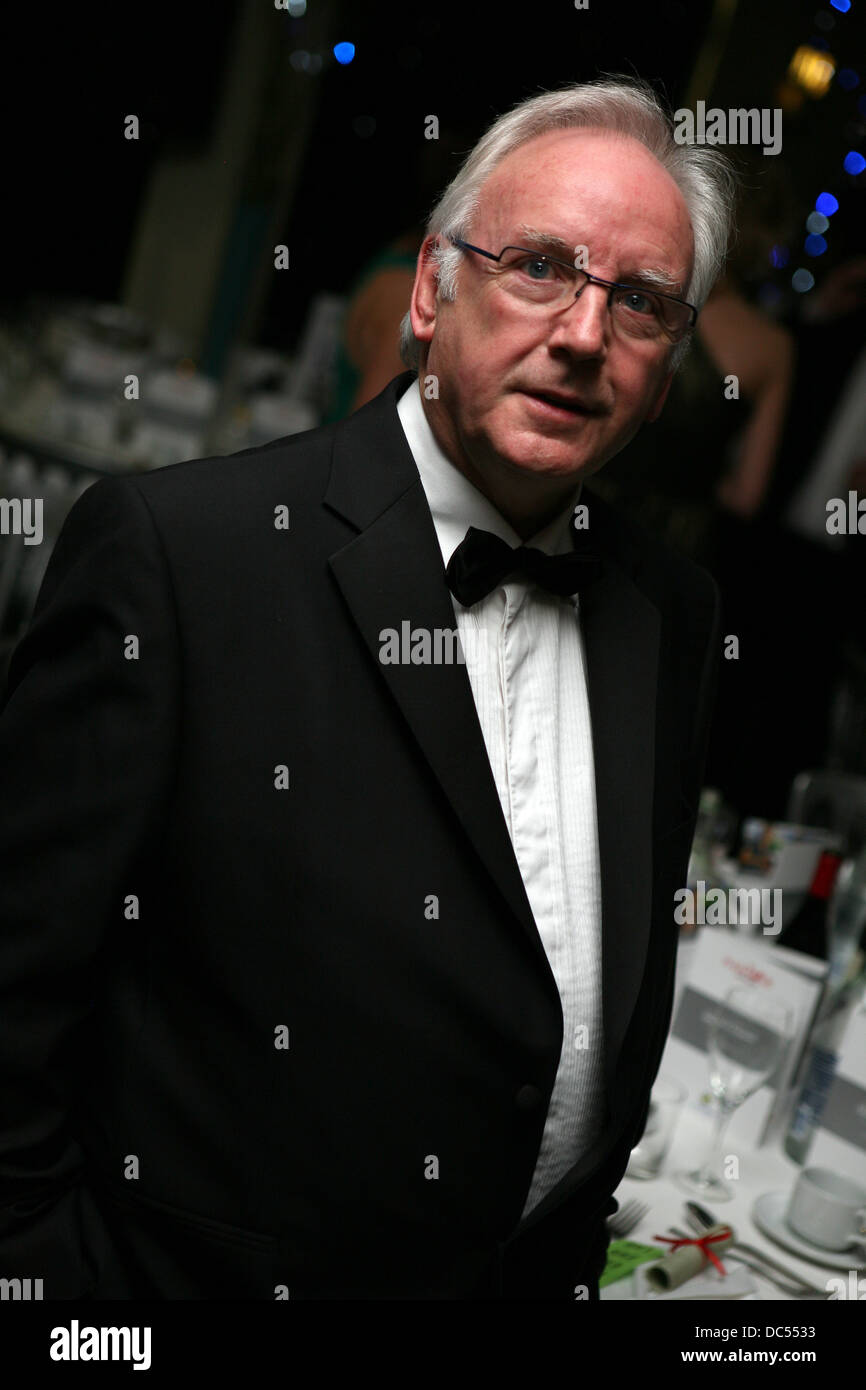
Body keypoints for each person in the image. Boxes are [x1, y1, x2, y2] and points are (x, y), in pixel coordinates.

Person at [0, 75, 735, 1301]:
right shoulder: (185, 559)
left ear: (664, 367)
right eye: (539, 265)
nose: (581, 333)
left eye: (642, 303)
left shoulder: (671, 614)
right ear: (431, 291)